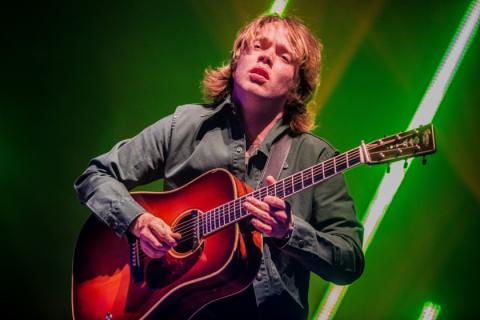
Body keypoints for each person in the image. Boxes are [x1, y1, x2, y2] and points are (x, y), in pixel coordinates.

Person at [74, 14, 364, 320]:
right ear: (238, 57)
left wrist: (290, 231)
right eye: (257, 46)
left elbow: (350, 261)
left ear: (297, 83)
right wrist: (137, 221)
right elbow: (95, 176)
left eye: (283, 56)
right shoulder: (183, 126)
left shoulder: (317, 158)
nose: (265, 56)